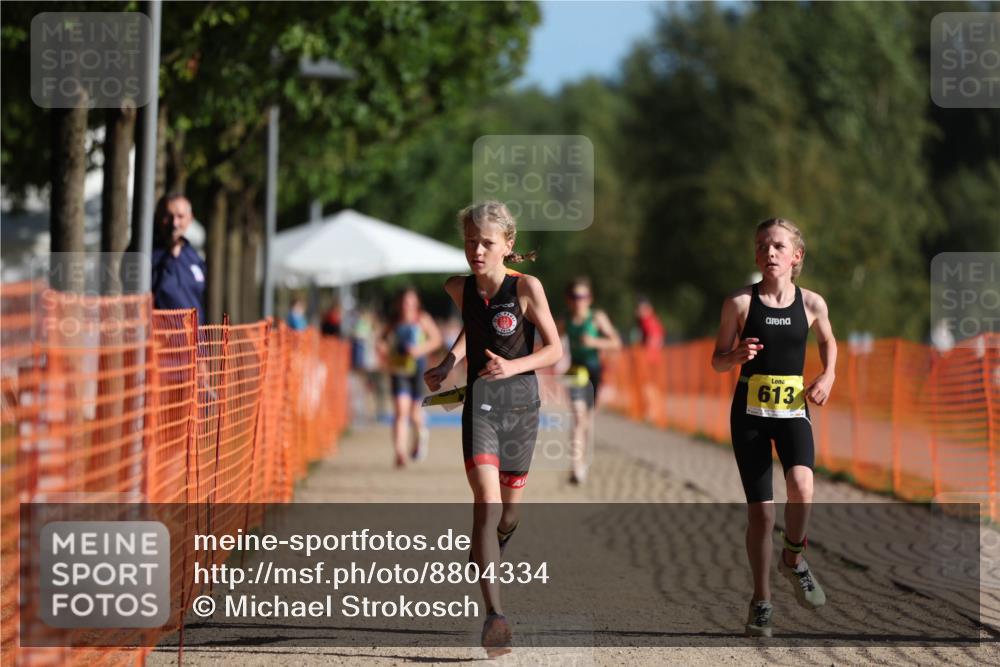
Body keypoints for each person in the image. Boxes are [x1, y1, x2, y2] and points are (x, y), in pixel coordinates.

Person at [423, 201, 561, 656]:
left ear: (507, 244)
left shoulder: (526, 288)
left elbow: (554, 350)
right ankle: (495, 616)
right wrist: (449, 361)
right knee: (486, 500)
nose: (476, 250)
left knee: (509, 513)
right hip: (480, 405)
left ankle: (497, 537)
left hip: (521, 407)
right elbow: (470, 325)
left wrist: (514, 366)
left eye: (486, 242)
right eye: (470, 241)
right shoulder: (457, 287)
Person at [710, 217, 836, 638]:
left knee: (803, 487)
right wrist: (736, 354)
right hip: (749, 415)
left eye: (779, 246)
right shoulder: (740, 304)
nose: (770, 253)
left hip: (793, 411)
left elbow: (827, 341)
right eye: (763, 245)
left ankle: (794, 558)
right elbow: (717, 360)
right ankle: (761, 601)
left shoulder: (812, 303)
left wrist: (829, 374)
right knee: (761, 515)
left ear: (796, 256)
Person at [562, 277, 622, 485]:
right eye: (575, 296)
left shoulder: (597, 317)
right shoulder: (565, 320)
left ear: (590, 298)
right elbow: (550, 342)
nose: (579, 301)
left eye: (584, 296)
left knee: (587, 419)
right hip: (575, 370)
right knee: (578, 417)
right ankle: (576, 467)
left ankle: (582, 460)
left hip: (594, 370)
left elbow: (616, 342)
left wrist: (594, 341)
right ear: (568, 300)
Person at [382, 288, 442, 467]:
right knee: (400, 410)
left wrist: (418, 350)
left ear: (416, 302)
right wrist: (383, 350)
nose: (406, 305)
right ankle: (399, 451)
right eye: (403, 302)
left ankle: (420, 436)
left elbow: (436, 339)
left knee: (415, 412)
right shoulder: (394, 321)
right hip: (398, 369)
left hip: (417, 369)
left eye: (409, 301)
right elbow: (382, 340)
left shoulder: (422, 319)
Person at [151, 194, 206, 324]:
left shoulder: (194, 257)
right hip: (160, 341)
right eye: (168, 217)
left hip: (194, 341)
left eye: (180, 217)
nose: (174, 223)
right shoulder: (147, 255)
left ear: (190, 219)